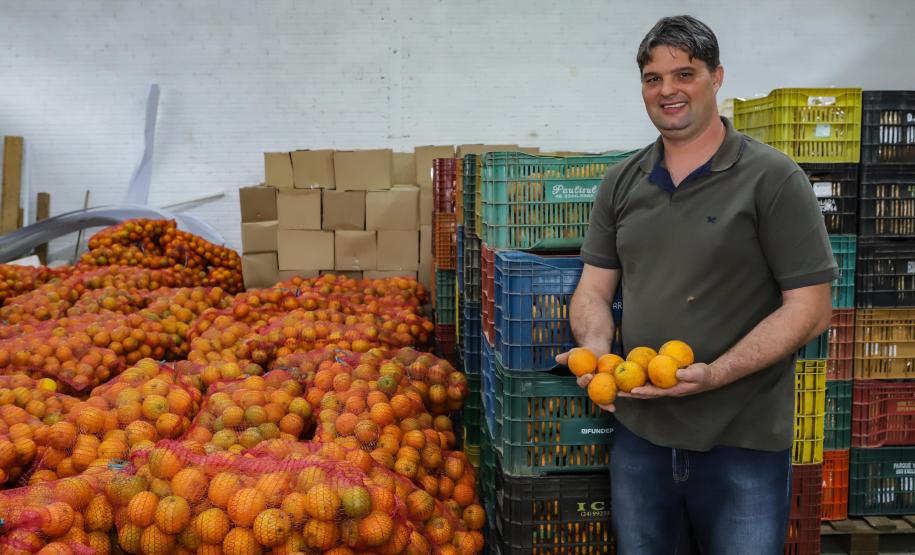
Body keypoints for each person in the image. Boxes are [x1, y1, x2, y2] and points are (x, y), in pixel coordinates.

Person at [555, 15, 836, 555]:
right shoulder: (623, 180)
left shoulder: (773, 178)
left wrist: (716, 375)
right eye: (653, 78)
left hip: (742, 439)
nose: (667, 91)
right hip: (641, 435)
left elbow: (810, 309)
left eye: (684, 74)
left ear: (717, 77)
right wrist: (594, 351)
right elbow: (593, 290)